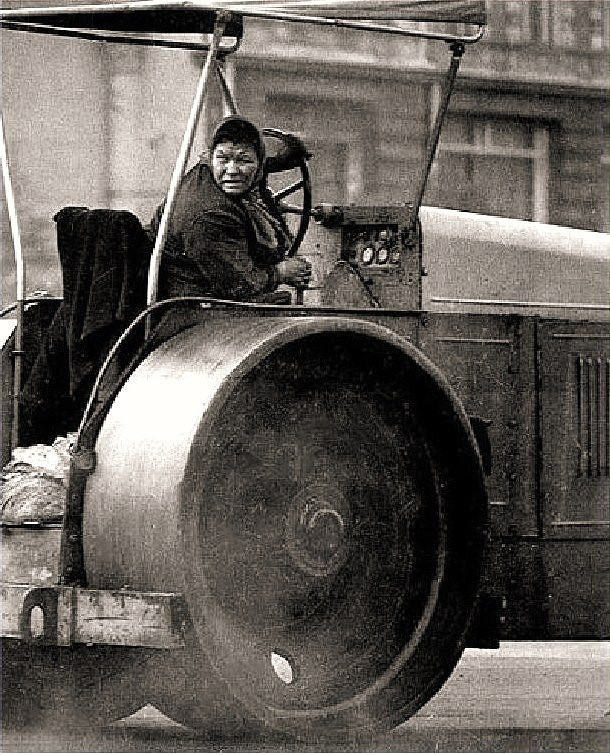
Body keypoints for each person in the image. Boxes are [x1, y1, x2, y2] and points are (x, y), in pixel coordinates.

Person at [149, 115, 312, 304]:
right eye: (223, 159)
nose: (232, 170)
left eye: (244, 161)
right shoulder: (211, 216)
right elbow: (239, 284)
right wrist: (281, 272)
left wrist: (283, 160)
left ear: (259, 164)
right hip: (191, 305)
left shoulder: (209, 172)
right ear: (211, 158)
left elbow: (245, 162)